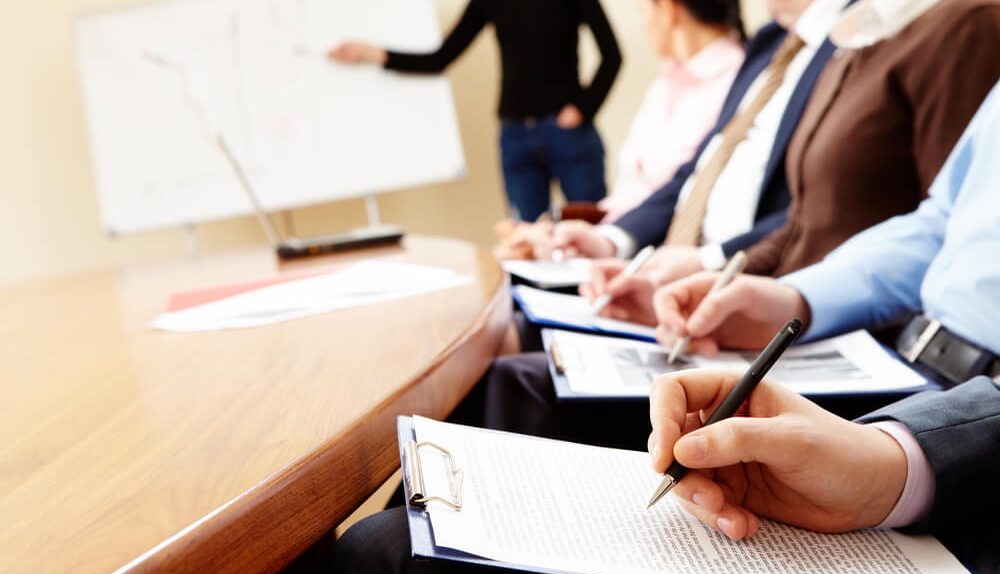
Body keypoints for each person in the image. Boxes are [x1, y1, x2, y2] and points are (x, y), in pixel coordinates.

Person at [325, 369, 1000, 574]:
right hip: (956, 428)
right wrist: (897, 465)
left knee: (395, 560)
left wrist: (903, 463)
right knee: (414, 531)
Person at [549, 0, 1000, 328]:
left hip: (882, 341)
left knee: (527, 381)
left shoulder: (959, 25)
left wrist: (718, 267)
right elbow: (934, 223)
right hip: (791, 303)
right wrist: (788, 299)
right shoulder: (855, 32)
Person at [493, 0, 746, 260]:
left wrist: (603, 240)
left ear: (668, 11)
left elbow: (683, 198)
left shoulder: (737, 86)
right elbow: (631, 195)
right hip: (620, 241)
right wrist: (554, 228)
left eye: (642, 11)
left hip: (661, 257)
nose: (642, 24)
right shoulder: (668, 80)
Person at [329, 0, 621, 223]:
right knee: (527, 239)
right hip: (515, 135)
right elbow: (441, 58)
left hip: (568, 133)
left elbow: (612, 55)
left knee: (592, 229)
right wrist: (373, 54)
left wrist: (583, 109)